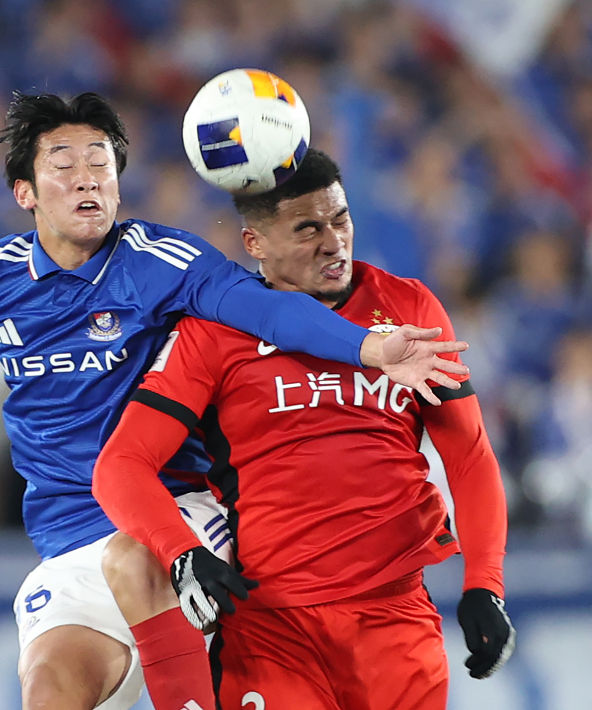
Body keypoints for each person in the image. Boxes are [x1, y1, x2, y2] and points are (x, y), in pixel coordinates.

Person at [0, 94, 470, 710]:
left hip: (178, 512)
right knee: (49, 688)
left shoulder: (165, 263)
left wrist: (369, 348)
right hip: (66, 536)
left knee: (131, 557)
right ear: (25, 192)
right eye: (64, 165)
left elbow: (270, 311)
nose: (88, 179)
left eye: (102, 164)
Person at [94, 148, 514, 710]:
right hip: (273, 633)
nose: (333, 242)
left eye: (340, 219)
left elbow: (469, 455)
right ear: (255, 244)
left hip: (397, 619)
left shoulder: (408, 307)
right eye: (308, 229)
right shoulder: (213, 331)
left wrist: (485, 583)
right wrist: (183, 554)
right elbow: (120, 466)